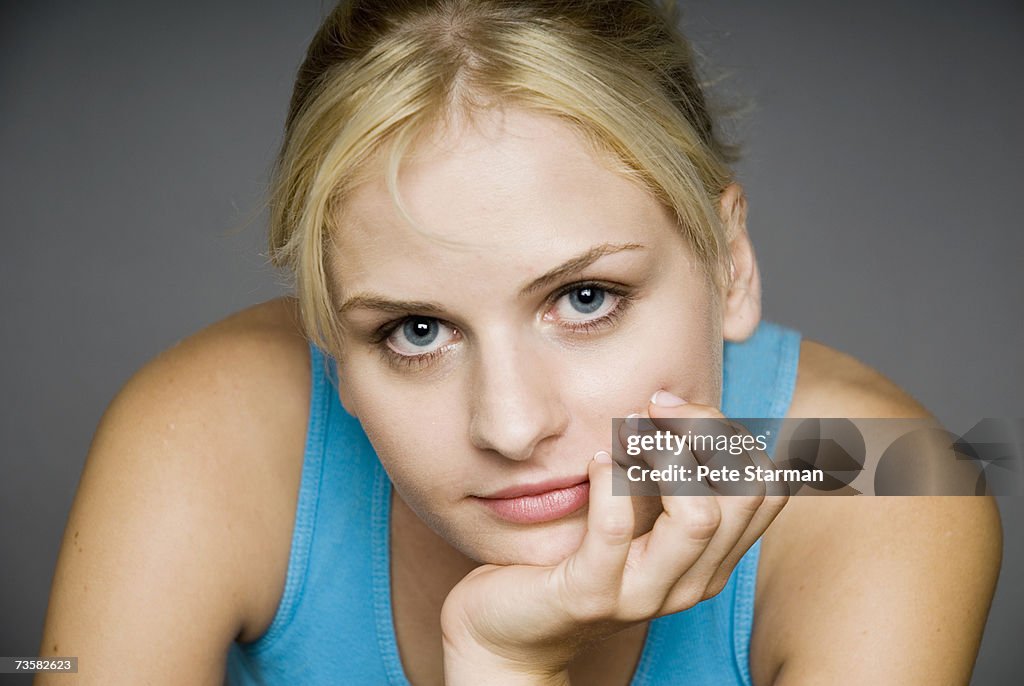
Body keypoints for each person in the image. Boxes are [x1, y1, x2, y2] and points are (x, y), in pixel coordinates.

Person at [37, 1, 1001, 684]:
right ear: (330, 329)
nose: (510, 423)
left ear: (731, 263)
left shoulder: (887, 485)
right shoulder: (204, 431)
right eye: (415, 331)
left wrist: (507, 668)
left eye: (586, 298)